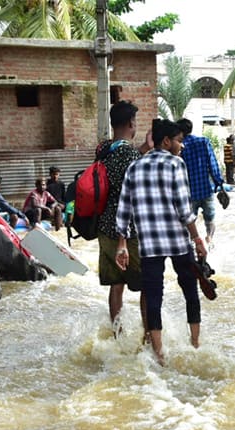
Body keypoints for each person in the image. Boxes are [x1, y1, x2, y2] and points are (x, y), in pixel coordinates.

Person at [115, 119, 207, 365]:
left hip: (150, 244)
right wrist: (197, 237)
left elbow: (124, 209)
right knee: (190, 291)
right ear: (166, 141)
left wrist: (122, 244)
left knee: (154, 295)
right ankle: (195, 344)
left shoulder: (134, 167)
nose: (182, 146)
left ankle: (159, 353)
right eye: (179, 140)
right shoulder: (176, 164)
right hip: (178, 241)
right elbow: (183, 208)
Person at [97, 100, 153, 331]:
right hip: (127, 232)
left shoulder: (104, 149)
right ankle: (149, 336)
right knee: (148, 284)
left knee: (116, 284)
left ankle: (118, 335)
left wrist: (143, 148)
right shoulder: (129, 155)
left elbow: (120, 166)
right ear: (132, 123)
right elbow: (130, 195)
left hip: (104, 227)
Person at [177, 118, 225, 245]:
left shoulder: (179, 146)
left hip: (188, 193)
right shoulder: (203, 142)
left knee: (189, 222)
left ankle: (194, 244)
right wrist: (219, 183)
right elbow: (213, 164)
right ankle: (209, 239)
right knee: (210, 219)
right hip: (206, 189)